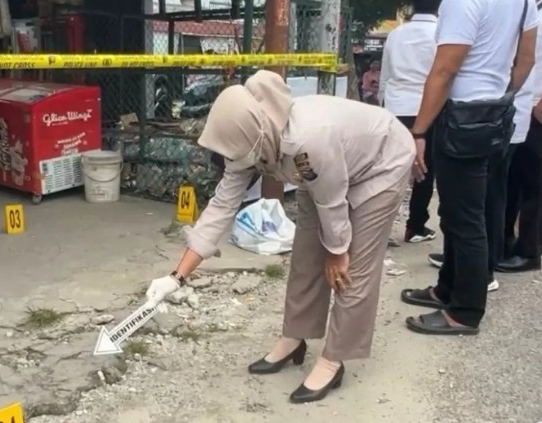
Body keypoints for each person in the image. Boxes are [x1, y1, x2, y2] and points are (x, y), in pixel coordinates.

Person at [145, 70, 416, 404]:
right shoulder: (250, 139)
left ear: (255, 140)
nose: (230, 161)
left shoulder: (306, 140)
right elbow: (221, 207)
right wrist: (177, 277)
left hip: (380, 163)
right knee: (305, 256)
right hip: (322, 173)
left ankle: (334, 359)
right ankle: (295, 338)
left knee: (352, 267)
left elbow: (332, 202)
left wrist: (337, 251)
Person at [401, 0, 537, 335]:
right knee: (460, 211)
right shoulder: (521, 3)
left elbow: (445, 70)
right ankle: (446, 288)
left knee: (465, 219)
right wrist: (502, 95)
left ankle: (464, 311)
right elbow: (526, 59)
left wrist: (419, 131)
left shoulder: (463, 2)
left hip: (462, 117)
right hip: (495, 115)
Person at [379, 0, 441, 243]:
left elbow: (386, 75)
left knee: (390, 170)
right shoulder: (441, 34)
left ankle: (379, 228)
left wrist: (385, 106)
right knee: (425, 170)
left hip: (396, 107)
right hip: (428, 108)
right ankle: (415, 225)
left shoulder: (396, 34)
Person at [499, 0, 542, 273]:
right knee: (512, 179)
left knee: (535, 185)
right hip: (520, 106)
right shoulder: (530, 9)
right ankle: (503, 241)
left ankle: (529, 251)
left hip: (537, 107)